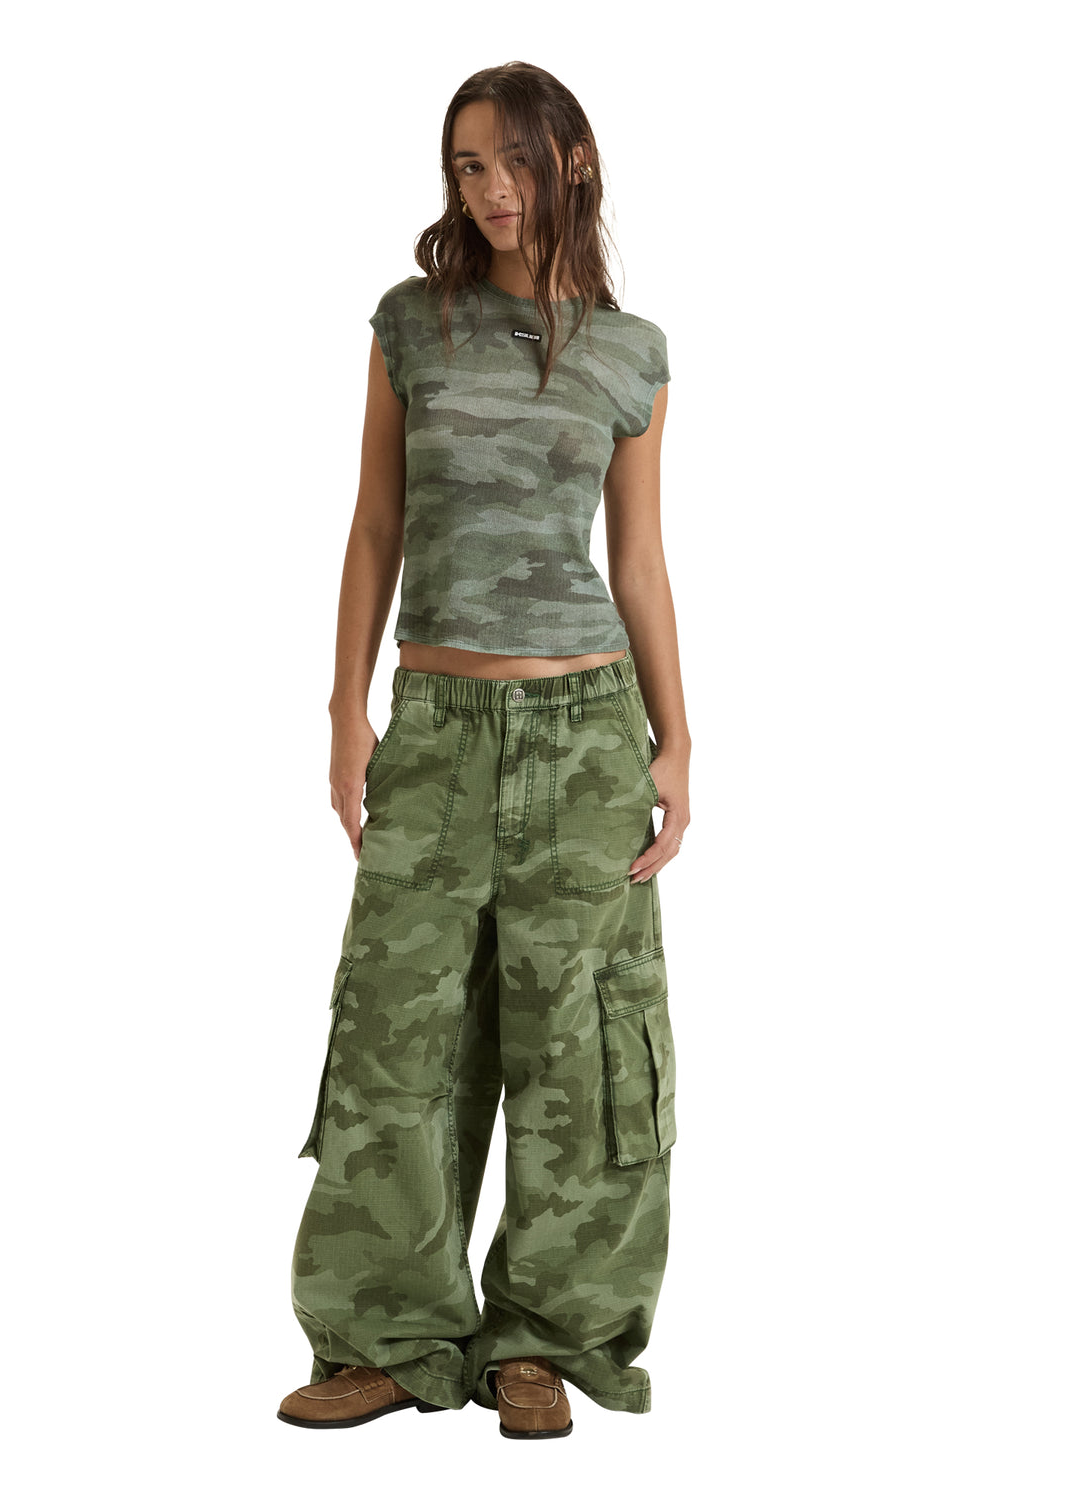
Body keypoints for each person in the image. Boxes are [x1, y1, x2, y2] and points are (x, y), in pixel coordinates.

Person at [277, 60, 691, 1440]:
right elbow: (375, 525)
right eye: (468, 165)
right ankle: (391, 1336)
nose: (492, 189)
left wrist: (678, 740)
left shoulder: (631, 354)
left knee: (579, 1046)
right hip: (438, 726)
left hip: (587, 732)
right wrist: (347, 709)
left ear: (571, 162)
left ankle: (546, 1341)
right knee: (395, 1035)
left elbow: (639, 561)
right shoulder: (415, 325)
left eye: (514, 160)